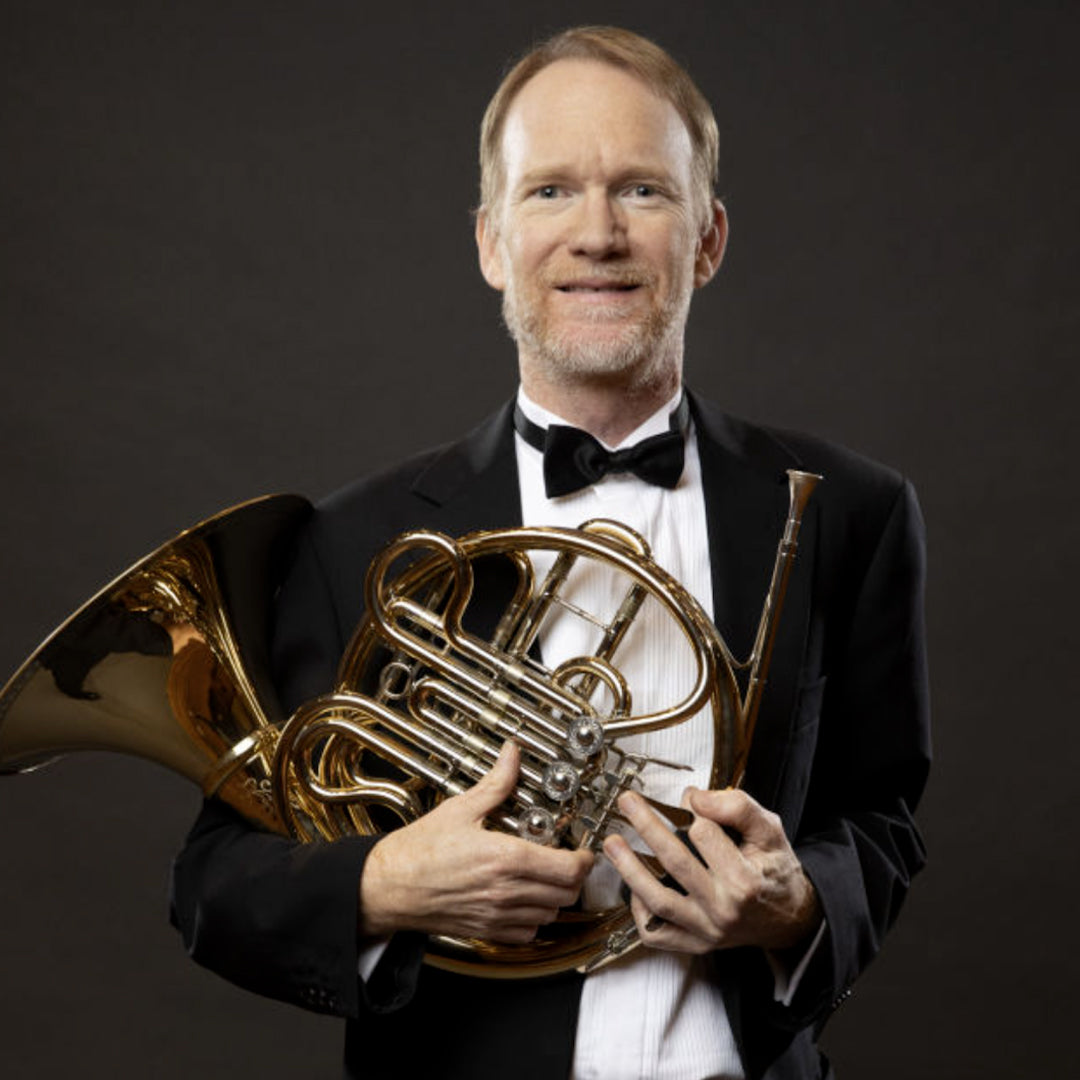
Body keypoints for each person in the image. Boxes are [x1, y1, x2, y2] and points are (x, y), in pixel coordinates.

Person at [170, 25, 929, 1080]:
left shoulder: (850, 512)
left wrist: (795, 905)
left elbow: (882, 818)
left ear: (707, 239)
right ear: (490, 243)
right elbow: (215, 884)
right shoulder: (358, 541)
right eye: (551, 192)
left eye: (643, 192)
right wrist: (386, 883)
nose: (598, 234)